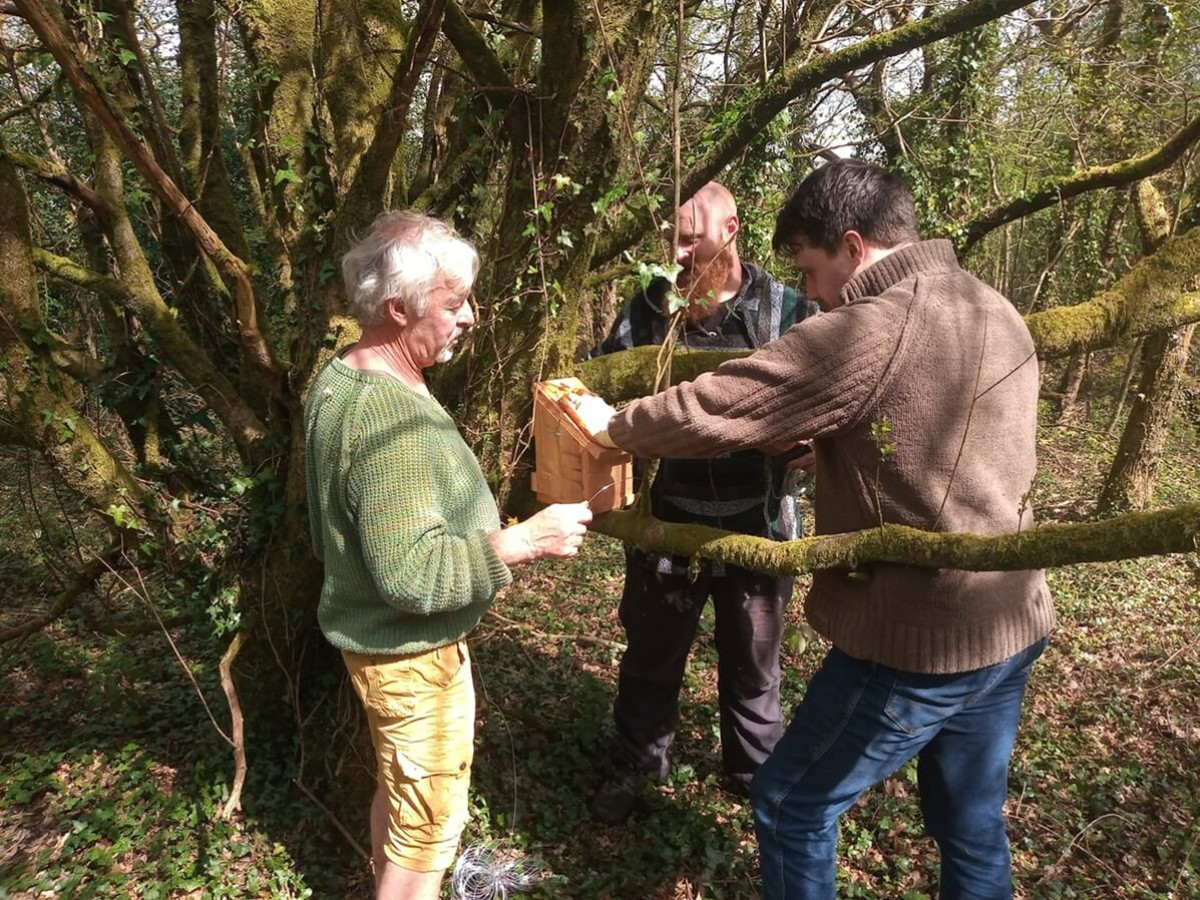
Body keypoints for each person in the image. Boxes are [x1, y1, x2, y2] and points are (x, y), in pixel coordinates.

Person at [594, 160, 1054, 899]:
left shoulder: (872, 324)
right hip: (1011, 619)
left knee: (789, 802)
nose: (809, 291)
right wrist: (834, 448)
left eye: (810, 268)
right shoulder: (988, 304)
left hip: (918, 632)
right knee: (969, 826)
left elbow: (725, 402)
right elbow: (937, 443)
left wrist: (612, 425)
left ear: (852, 245)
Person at [303, 211, 593, 900]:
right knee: (428, 834)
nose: (471, 316)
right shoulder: (387, 417)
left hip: (382, 648)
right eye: (455, 302)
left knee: (403, 801)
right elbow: (409, 572)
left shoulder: (346, 374)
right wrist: (524, 541)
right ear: (398, 308)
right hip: (411, 658)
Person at [587, 182, 819, 826]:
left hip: (762, 526)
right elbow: (600, 390)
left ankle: (754, 780)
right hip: (666, 523)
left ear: (733, 228)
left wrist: (817, 445)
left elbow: (839, 400)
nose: (680, 254)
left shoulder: (789, 311)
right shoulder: (648, 309)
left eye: (692, 238)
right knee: (650, 661)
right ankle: (638, 765)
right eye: (672, 241)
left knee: (754, 668)